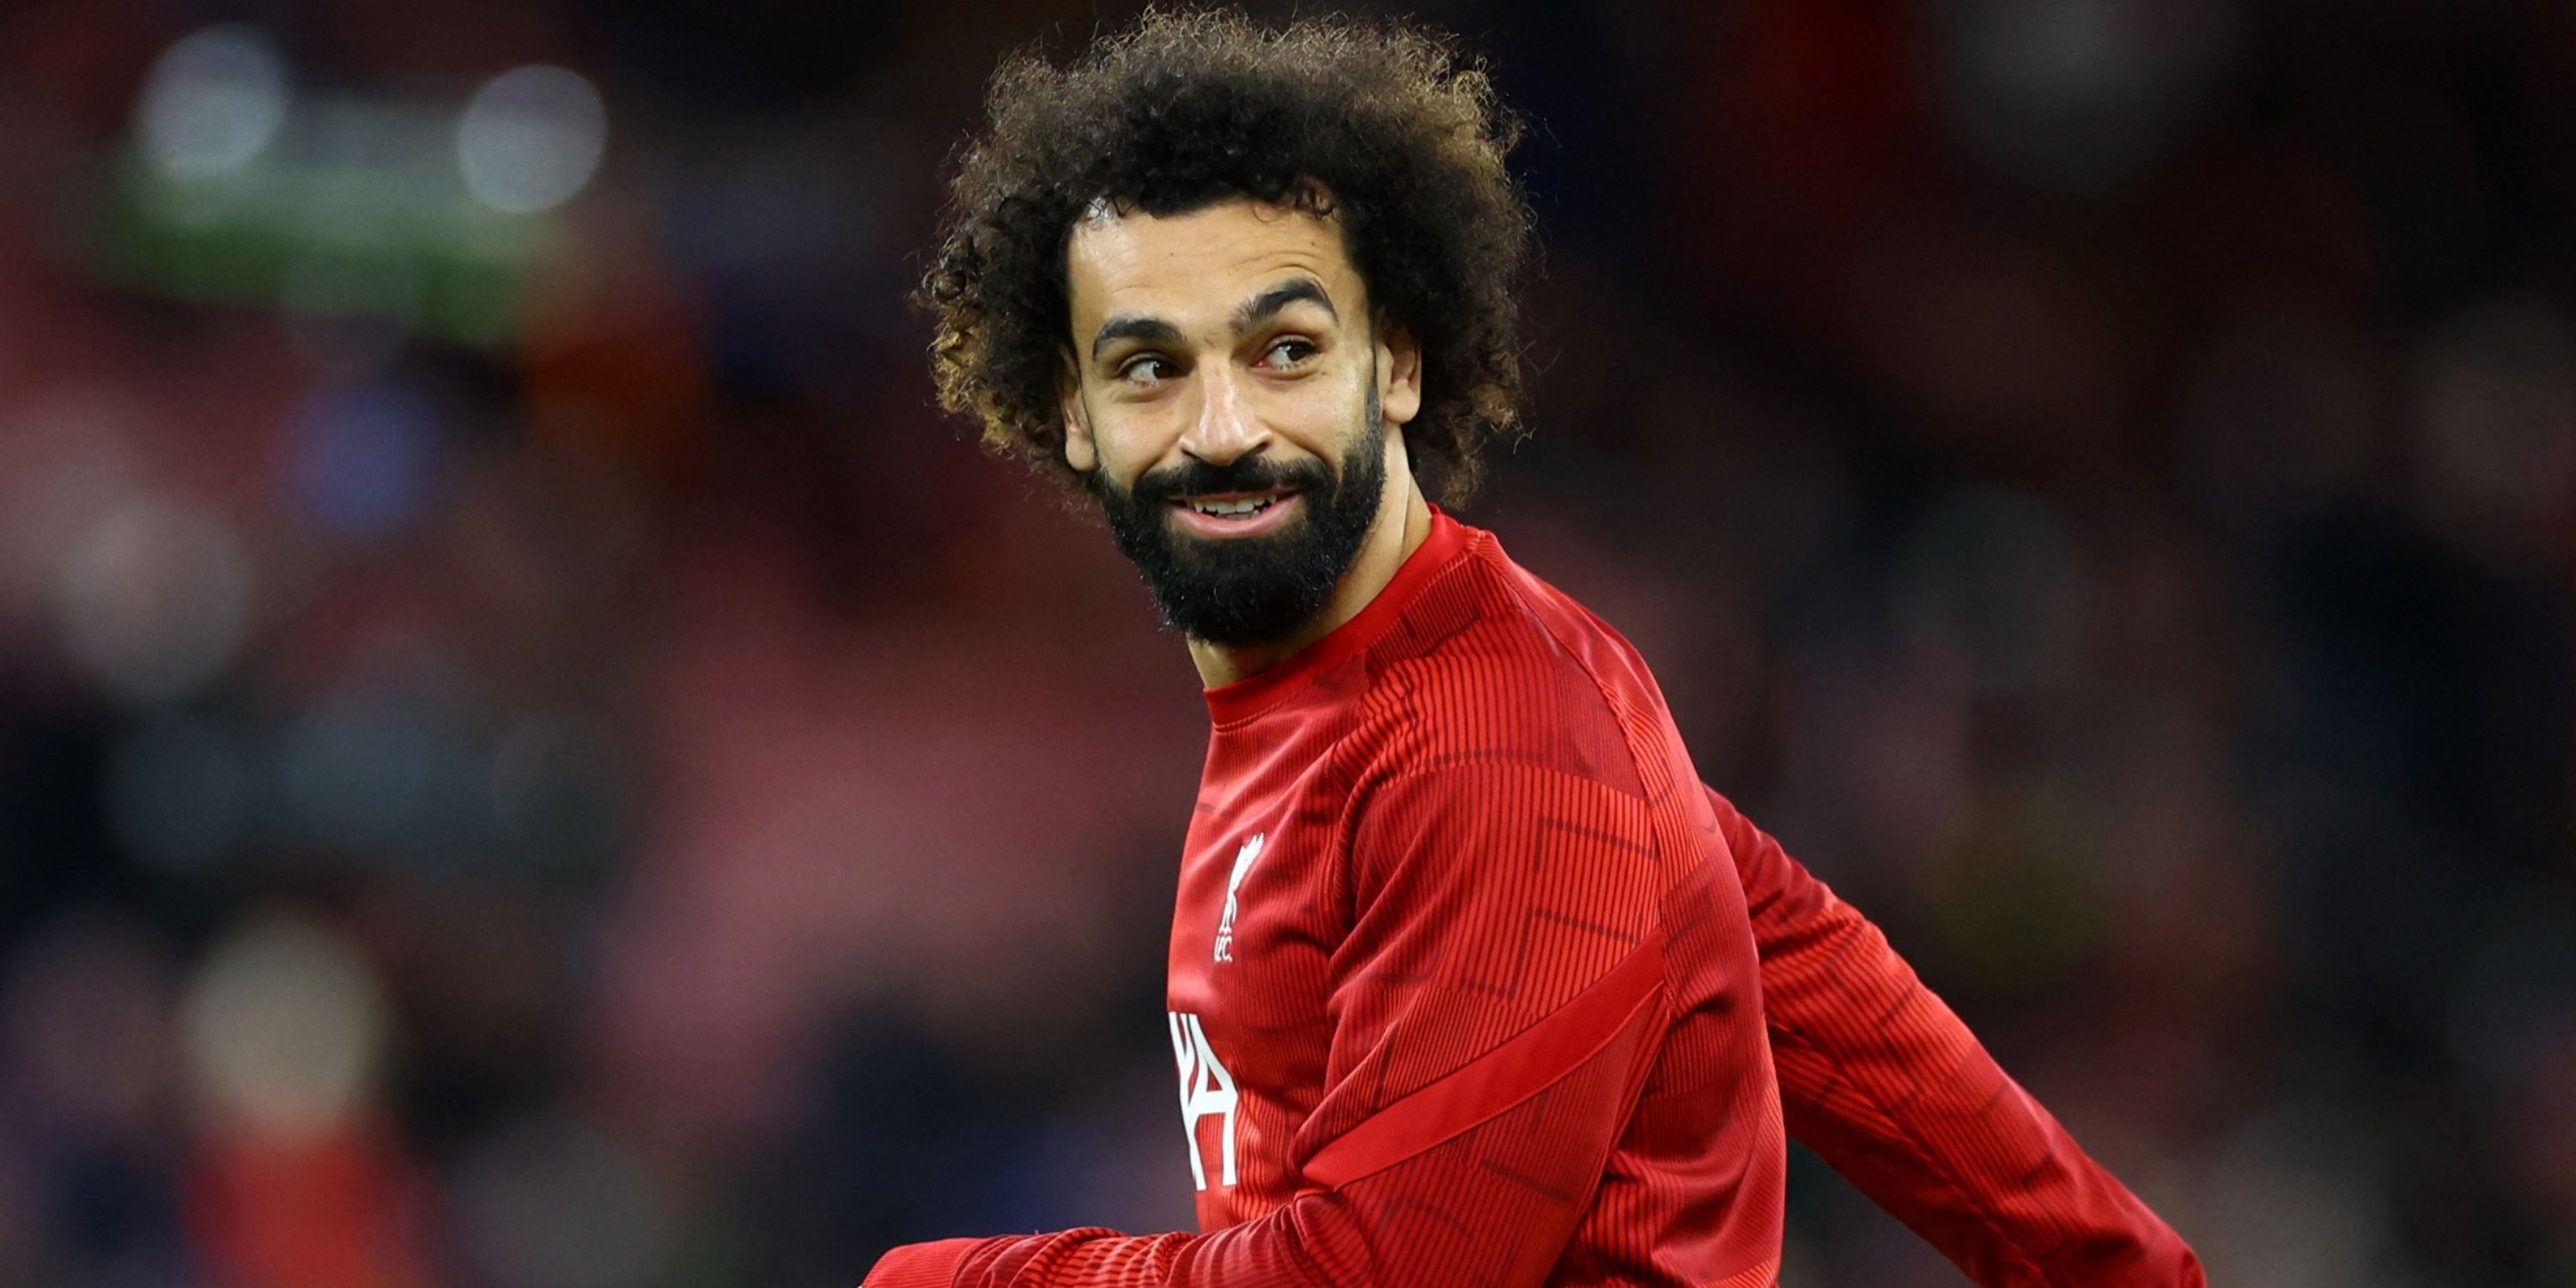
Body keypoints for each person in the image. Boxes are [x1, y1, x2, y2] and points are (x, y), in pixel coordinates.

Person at [867, 11, 2203, 1287]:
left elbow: (1395, 1273)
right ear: (1074, 416)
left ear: (1397, 364)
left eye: (1284, 350)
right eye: (1150, 367)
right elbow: (1845, 1023)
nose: (1222, 429)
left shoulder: (1493, 746)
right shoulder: (1402, 693)